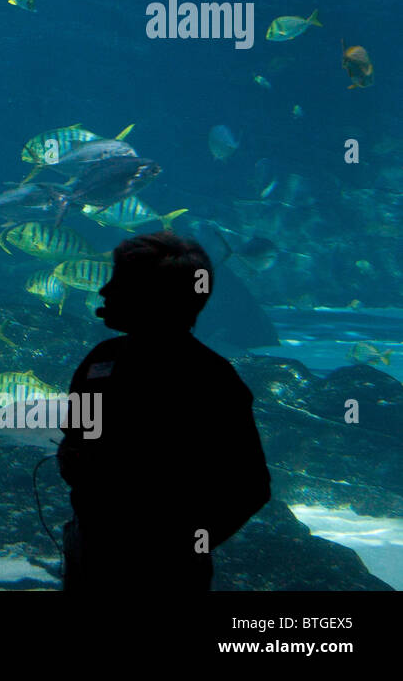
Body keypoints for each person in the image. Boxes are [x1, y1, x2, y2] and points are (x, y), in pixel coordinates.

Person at [57, 231, 270, 591]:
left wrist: (187, 545)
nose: (104, 291)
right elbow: (77, 443)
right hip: (92, 551)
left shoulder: (210, 379)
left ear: (152, 298)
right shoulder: (101, 360)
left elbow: (250, 486)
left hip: (167, 570)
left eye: (119, 283)